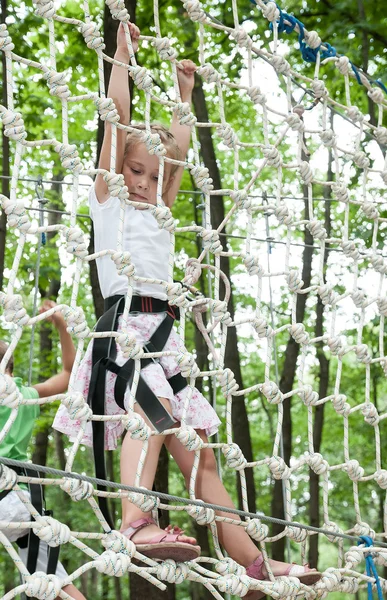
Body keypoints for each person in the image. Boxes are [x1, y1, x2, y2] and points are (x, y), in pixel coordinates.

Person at [53, 21, 321, 597]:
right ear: (117, 171)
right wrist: (121, 59)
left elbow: (175, 150)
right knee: (145, 415)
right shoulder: (108, 203)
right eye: (135, 170)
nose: (147, 182)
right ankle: (133, 520)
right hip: (127, 332)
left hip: (165, 337)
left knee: (200, 457)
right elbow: (115, 118)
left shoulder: (159, 212)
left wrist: (183, 97)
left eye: (154, 175)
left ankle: (252, 563)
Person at [0, 300, 86, 600]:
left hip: (2, 499)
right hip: (25, 503)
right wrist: (62, 325)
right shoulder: (26, 396)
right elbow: (69, 373)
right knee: (59, 585)